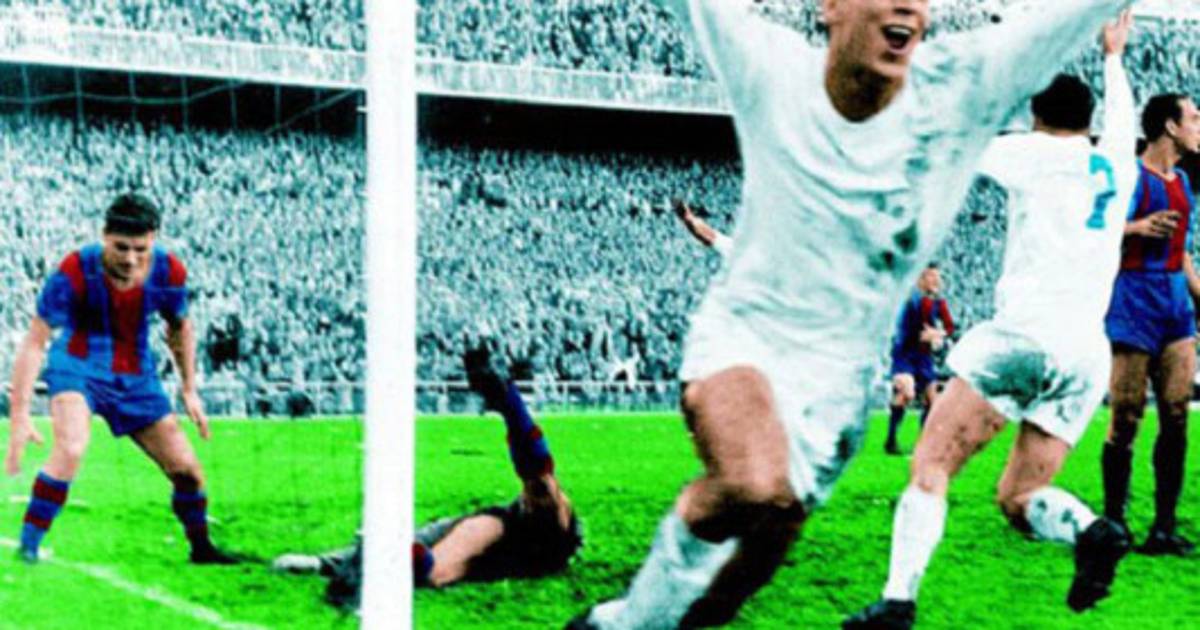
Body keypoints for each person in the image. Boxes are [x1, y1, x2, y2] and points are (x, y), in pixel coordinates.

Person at [566, 1, 1139, 628]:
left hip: (877, 376)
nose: (908, 6)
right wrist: (1113, 60)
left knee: (755, 562)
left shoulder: (990, 121)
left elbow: (1051, 31)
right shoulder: (773, 70)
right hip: (758, 341)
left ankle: (884, 599)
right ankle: (625, 624)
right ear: (830, 8)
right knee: (754, 483)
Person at [844, 15, 1139, 629]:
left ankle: (897, 601)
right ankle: (1091, 529)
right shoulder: (1117, 162)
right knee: (1018, 497)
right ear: (1086, 120)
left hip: (1024, 335)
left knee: (931, 466)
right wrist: (1114, 58)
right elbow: (1123, 120)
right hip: (1086, 353)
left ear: (1036, 116)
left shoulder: (1029, 152)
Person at [4, 193, 238, 564]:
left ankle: (202, 550)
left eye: (140, 249)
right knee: (71, 448)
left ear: (154, 240)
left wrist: (189, 388)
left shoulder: (168, 272)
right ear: (104, 237)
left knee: (188, 472)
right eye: (121, 247)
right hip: (78, 366)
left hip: (136, 376)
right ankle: (28, 550)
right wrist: (20, 414)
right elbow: (35, 341)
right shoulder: (75, 269)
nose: (130, 259)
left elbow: (180, 326)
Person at [273, 338, 581, 607]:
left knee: (442, 548)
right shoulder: (525, 521)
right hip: (525, 547)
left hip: (521, 542)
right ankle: (345, 560)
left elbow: (437, 571)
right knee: (439, 546)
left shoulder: (503, 526)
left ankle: (358, 559)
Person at [1101, 91, 1200, 557]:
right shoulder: (1129, 177)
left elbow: (1181, 251)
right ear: (1170, 126)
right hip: (1134, 297)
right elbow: (1094, 230)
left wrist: (1197, 293)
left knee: (1177, 413)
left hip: (1174, 303)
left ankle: (1163, 526)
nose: (1199, 127)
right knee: (1126, 417)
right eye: (1194, 118)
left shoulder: (1183, 181)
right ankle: (1114, 522)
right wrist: (1137, 228)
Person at [885, 264, 954, 454]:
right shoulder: (910, 301)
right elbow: (901, 332)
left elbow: (949, 327)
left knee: (933, 401)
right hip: (905, 354)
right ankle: (890, 440)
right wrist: (922, 337)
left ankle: (923, 445)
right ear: (921, 279)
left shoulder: (938, 303)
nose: (936, 280)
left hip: (924, 357)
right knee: (907, 393)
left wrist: (937, 334)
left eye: (938, 276)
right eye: (932, 276)